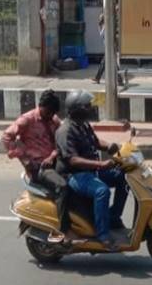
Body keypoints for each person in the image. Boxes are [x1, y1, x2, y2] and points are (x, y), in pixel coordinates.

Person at [55, 90, 130, 249]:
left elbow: (95, 142)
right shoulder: (65, 131)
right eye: (87, 106)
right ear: (77, 109)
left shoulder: (83, 125)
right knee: (102, 191)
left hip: (92, 171)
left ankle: (113, 217)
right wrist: (101, 165)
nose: (90, 108)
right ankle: (102, 235)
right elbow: (73, 160)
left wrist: (110, 146)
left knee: (124, 177)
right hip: (76, 175)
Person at [2, 89, 69, 240]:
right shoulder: (27, 120)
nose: (51, 116)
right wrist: (22, 157)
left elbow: (63, 137)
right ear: (42, 107)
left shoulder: (53, 119)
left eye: (53, 114)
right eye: (49, 113)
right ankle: (62, 230)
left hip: (53, 162)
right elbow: (7, 137)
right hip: (39, 167)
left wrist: (53, 155)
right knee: (63, 187)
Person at [92, 13, 106, 84]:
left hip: (109, 49)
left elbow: (101, 34)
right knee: (104, 64)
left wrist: (99, 27)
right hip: (108, 48)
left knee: (104, 63)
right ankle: (97, 78)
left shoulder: (105, 26)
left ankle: (97, 78)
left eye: (100, 19)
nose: (99, 20)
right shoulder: (104, 25)